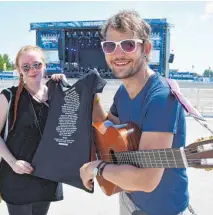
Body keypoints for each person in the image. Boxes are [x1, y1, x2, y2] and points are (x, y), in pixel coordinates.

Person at [80, 10, 195, 215]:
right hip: (129, 197)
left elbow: (146, 180)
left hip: (162, 209)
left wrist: (96, 168)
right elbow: (109, 127)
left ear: (146, 49)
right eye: (110, 46)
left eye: (128, 44)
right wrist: (92, 95)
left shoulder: (160, 98)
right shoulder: (123, 92)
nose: (118, 53)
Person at [0, 45, 106, 215]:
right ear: (19, 70)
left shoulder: (56, 95)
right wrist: (13, 162)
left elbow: (76, 120)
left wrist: (64, 86)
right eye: (26, 66)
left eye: (36, 64)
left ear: (44, 65)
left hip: (47, 177)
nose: (32, 70)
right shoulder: (9, 96)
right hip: (17, 176)